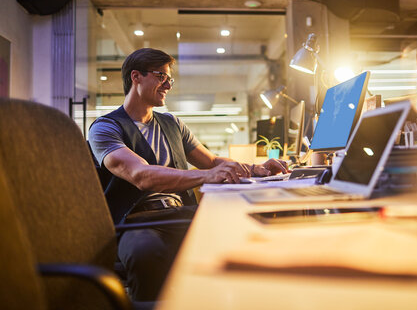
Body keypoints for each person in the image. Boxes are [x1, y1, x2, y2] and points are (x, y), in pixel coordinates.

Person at [88, 48, 288, 301]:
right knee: (145, 252)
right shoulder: (106, 127)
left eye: (170, 79)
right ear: (136, 77)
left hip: (179, 211)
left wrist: (255, 169)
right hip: (136, 220)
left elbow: (212, 160)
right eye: (162, 76)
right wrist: (206, 176)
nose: (168, 85)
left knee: (246, 228)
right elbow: (141, 175)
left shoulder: (172, 124)